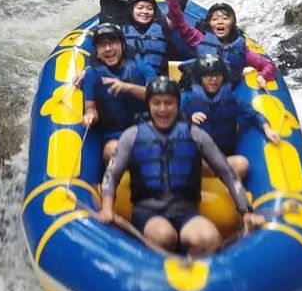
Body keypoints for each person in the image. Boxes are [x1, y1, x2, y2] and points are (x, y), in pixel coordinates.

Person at [98, 77, 266, 256]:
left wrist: (246, 212)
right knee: (164, 236)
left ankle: (191, 271)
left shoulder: (196, 135)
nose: (162, 109)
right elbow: (112, 175)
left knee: (209, 239)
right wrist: (107, 208)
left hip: (186, 212)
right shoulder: (131, 136)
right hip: (148, 211)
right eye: (157, 103)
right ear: (149, 105)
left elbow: (227, 172)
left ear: (177, 105)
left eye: (168, 103)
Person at [163, 0, 277, 85]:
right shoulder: (198, 39)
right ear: (209, 24)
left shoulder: (241, 50)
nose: (220, 22)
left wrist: (263, 77)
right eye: (215, 19)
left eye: (225, 18)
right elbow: (178, 19)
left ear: (232, 23)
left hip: (225, 96)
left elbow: (269, 65)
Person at [181, 52, 282, 181]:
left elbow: (252, 114)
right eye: (209, 76)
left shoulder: (231, 98)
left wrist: (267, 129)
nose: (214, 80)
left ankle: (223, 181)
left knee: (242, 164)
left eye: (218, 75)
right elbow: (170, 123)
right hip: (197, 157)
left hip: (224, 159)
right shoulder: (186, 98)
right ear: (200, 77)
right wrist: (189, 120)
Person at [80, 21, 155, 163]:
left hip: (146, 127)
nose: (108, 49)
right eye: (102, 45)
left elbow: (156, 96)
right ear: (96, 51)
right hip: (114, 134)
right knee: (111, 151)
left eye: (112, 42)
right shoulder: (91, 75)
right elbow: (90, 108)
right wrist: (90, 117)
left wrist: (127, 87)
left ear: (122, 45)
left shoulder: (140, 64)